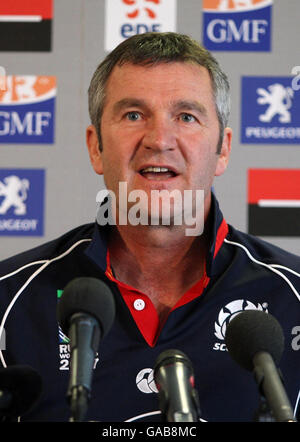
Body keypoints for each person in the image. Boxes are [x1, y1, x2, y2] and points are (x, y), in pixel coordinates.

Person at [0, 32, 299, 422]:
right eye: (133, 115)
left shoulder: (292, 298)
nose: (159, 140)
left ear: (222, 149)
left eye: (186, 116)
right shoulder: (9, 302)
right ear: (96, 147)